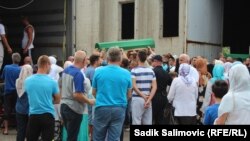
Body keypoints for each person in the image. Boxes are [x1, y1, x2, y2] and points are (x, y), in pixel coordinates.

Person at [92, 47, 132, 141]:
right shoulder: (126, 73)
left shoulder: (98, 71)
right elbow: (129, 95)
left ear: (107, 58)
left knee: (98, 137)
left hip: (102, 107)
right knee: (114, 138)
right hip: (119, 108)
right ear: (120, 58)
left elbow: (93, 92)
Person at [61, 50, 95, 141]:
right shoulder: (78, 74)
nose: (87, 61)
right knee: (72, 137)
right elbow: (77, 95)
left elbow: (60, 87)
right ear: (83, 60)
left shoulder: (65, 71)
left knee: (70, 135)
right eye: (87, 59)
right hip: (74, 109)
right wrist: (89, 101)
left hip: (64, 106)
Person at [25, 55, 60, 141]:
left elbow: (29, 94)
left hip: (33, 115)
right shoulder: (53, 82)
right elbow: (58, 99)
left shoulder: (28, 80)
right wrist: (48, 100)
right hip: (48, 115)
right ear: (47, 64)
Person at [131, 50, 157, 125]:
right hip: (148, 98)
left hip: (137, 98)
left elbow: (134, 86)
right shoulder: (151, 71)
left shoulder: (134, 71)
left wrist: (143, 96)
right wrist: (148, 99)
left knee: (136, 121)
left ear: (138, 58)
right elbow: (154, 87)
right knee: (148, 122)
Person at [1, 53, 21, 135]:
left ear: (12, 59)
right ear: (19, 60)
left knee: (7, 110)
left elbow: (2, 77)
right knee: (17, 110)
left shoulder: (6, 67)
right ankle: (18, 128)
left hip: (8, 91)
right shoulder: (20, 69)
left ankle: (6, 129)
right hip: (17, 92)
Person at [151, 55, 172, 124]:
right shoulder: (166, 73)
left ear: (156, 61)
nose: (152, 63)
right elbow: (170, 83)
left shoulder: (153, 72)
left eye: (153, 61)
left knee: (153, 117)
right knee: (161, 118)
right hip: (163, 97)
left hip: (154, 96)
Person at [15, 64, 33, 141]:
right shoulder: (32, 82)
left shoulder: (18, 81)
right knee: (30, 132)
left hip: (19, 108)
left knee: (20, 130)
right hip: (30, 109)